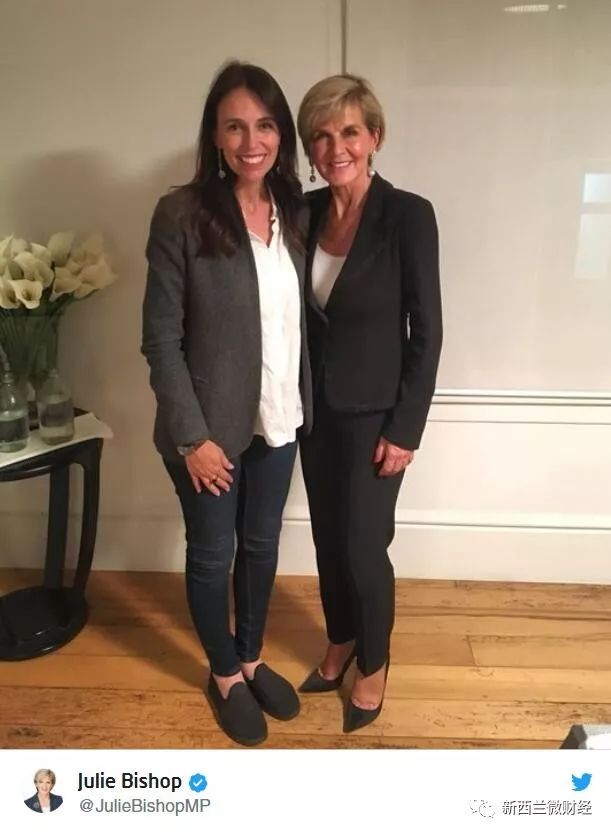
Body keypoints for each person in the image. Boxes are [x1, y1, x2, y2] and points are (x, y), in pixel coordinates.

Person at [142, 61, 312, 746]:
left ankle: (250, 656)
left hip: (279, 416)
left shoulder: (294, 211)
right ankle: (222, 674)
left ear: (281, 134)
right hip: (207, 432)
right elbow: (160, 338)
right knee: (214, 554)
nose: (251, 141)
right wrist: (192, 437)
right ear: (214, 135)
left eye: (264, 125)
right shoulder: (181, 214)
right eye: (234, 126)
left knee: (262, 545)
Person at [296, 74, 442, 732]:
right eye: (321, 136)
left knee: (362, 544)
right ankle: (341, 637)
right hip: (312, 412)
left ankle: (375, 661)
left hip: (376, 416)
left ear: (374, 136)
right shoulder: (301, 214)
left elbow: (427, 329)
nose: (336, 148)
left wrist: (405, 428)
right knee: (328, 538)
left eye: (349, 132)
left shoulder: (408, 215)